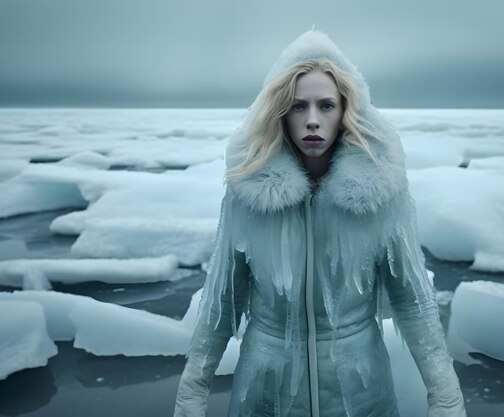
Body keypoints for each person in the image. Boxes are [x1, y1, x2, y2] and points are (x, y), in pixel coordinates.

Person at [174, 30, 466, 417]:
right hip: (265, 394)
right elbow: (223, 302)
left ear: (346, 110)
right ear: (280, 112)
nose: (312, 120)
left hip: (360, 396)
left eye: (326, 106)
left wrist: (445, 397)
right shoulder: (249, 192)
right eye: (299, 107)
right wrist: (192, 392)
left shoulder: (379, 194)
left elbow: (412, 302)